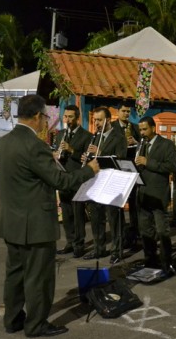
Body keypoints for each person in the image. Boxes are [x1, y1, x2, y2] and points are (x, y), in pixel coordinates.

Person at [0, 94, 99, 337]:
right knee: (39, 278)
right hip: (36, 223)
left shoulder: (4, 142)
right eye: (45, 117)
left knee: (15, 275)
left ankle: (12, 320)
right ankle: (36, 324)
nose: (46, 121)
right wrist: (89, 170)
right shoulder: (35, 145)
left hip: (12, 220)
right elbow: (60, 181)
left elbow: (24, 175)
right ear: (36, 116)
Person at [83, 107, 127, 264]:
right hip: (96, 181)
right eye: (95, 120)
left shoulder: (118, 137)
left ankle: (116, 250)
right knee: (96, 217)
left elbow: (120, 158)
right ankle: (99, 248)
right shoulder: (95, 136)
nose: (97, 123)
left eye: (99, 120)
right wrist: (87, 158)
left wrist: (100, 151)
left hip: (112, 182)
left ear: (108, 120)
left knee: (113, 218)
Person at [135, 116, 176, 276]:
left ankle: (167, 264)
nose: (142, 132)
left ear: (153, 128)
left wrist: (148, 162)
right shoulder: (142, 144)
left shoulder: (166, 145)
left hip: (159, 195)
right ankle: (150, 262)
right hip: (143, 194)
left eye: (145, 129)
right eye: (140, 129)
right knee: (146, 231)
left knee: (162, 231)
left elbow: (172, 166)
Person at [54, 105, 93, 258]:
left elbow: (86, 159)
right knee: (66, 214)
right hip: (63, 178)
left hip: (77, 179)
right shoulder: (60, 134)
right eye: (66, 117)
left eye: (71, 117)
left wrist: (71, 150)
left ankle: (79, 244)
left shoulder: (86, 136)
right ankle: (70, 242)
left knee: (77, 214)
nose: (68, 120)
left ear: (77, 118)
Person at [111, 102, 140, 250]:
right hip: (117, 170)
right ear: (117, 111)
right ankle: (120, 236)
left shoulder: (134, 127)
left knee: (134, 205)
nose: (126, 114)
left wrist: (136, 142)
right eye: (123, 111)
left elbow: (144, 145)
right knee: (118, 206)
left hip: (131, 169)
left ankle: (134, 235)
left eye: (128, 112)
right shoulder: (112, 126)